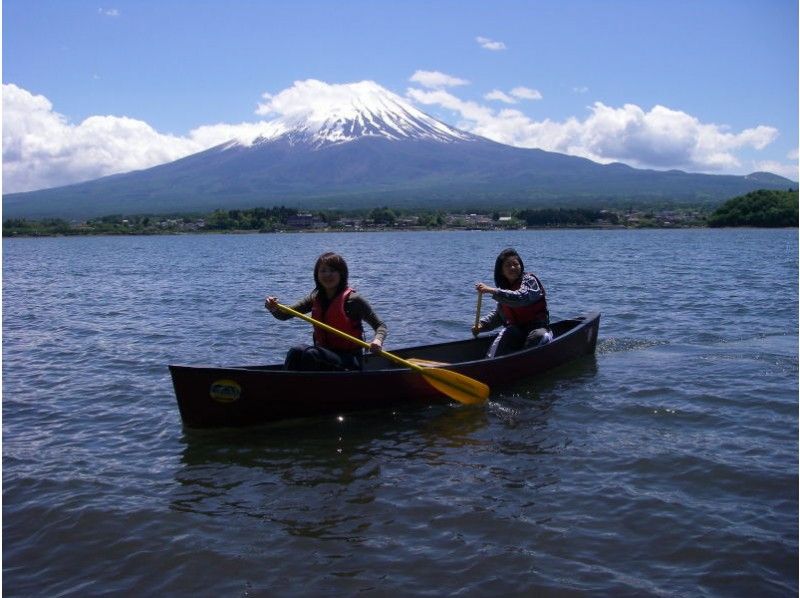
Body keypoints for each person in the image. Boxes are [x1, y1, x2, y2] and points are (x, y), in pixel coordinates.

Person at [265, 252, 387, 371]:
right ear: (317, 275)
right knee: (296, 351)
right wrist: (273, 308)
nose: (327, 275)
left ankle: (307, 389)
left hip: (350, 361)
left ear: (341, 274)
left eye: (332, 271)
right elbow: (284, 315)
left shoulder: (354, 301)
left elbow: (380, 326)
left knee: (311, 354)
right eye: (323, 271)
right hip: (323, 356)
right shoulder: (314, 299)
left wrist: (377, 340)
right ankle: (286, 385)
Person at [472, 247, 552, 358]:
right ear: (501, 271)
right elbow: (499, 315)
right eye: (508, 265)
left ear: (521, 266)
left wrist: (491, 290)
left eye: (515, 264)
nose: (513, 267)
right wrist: (481, 325)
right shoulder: (504, 289)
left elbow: (521, 298)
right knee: (509, 331)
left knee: (539, 336)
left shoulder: (530, 281)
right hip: (517, 332)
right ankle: (490, 362)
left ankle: (523, 361)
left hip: (538, 329)